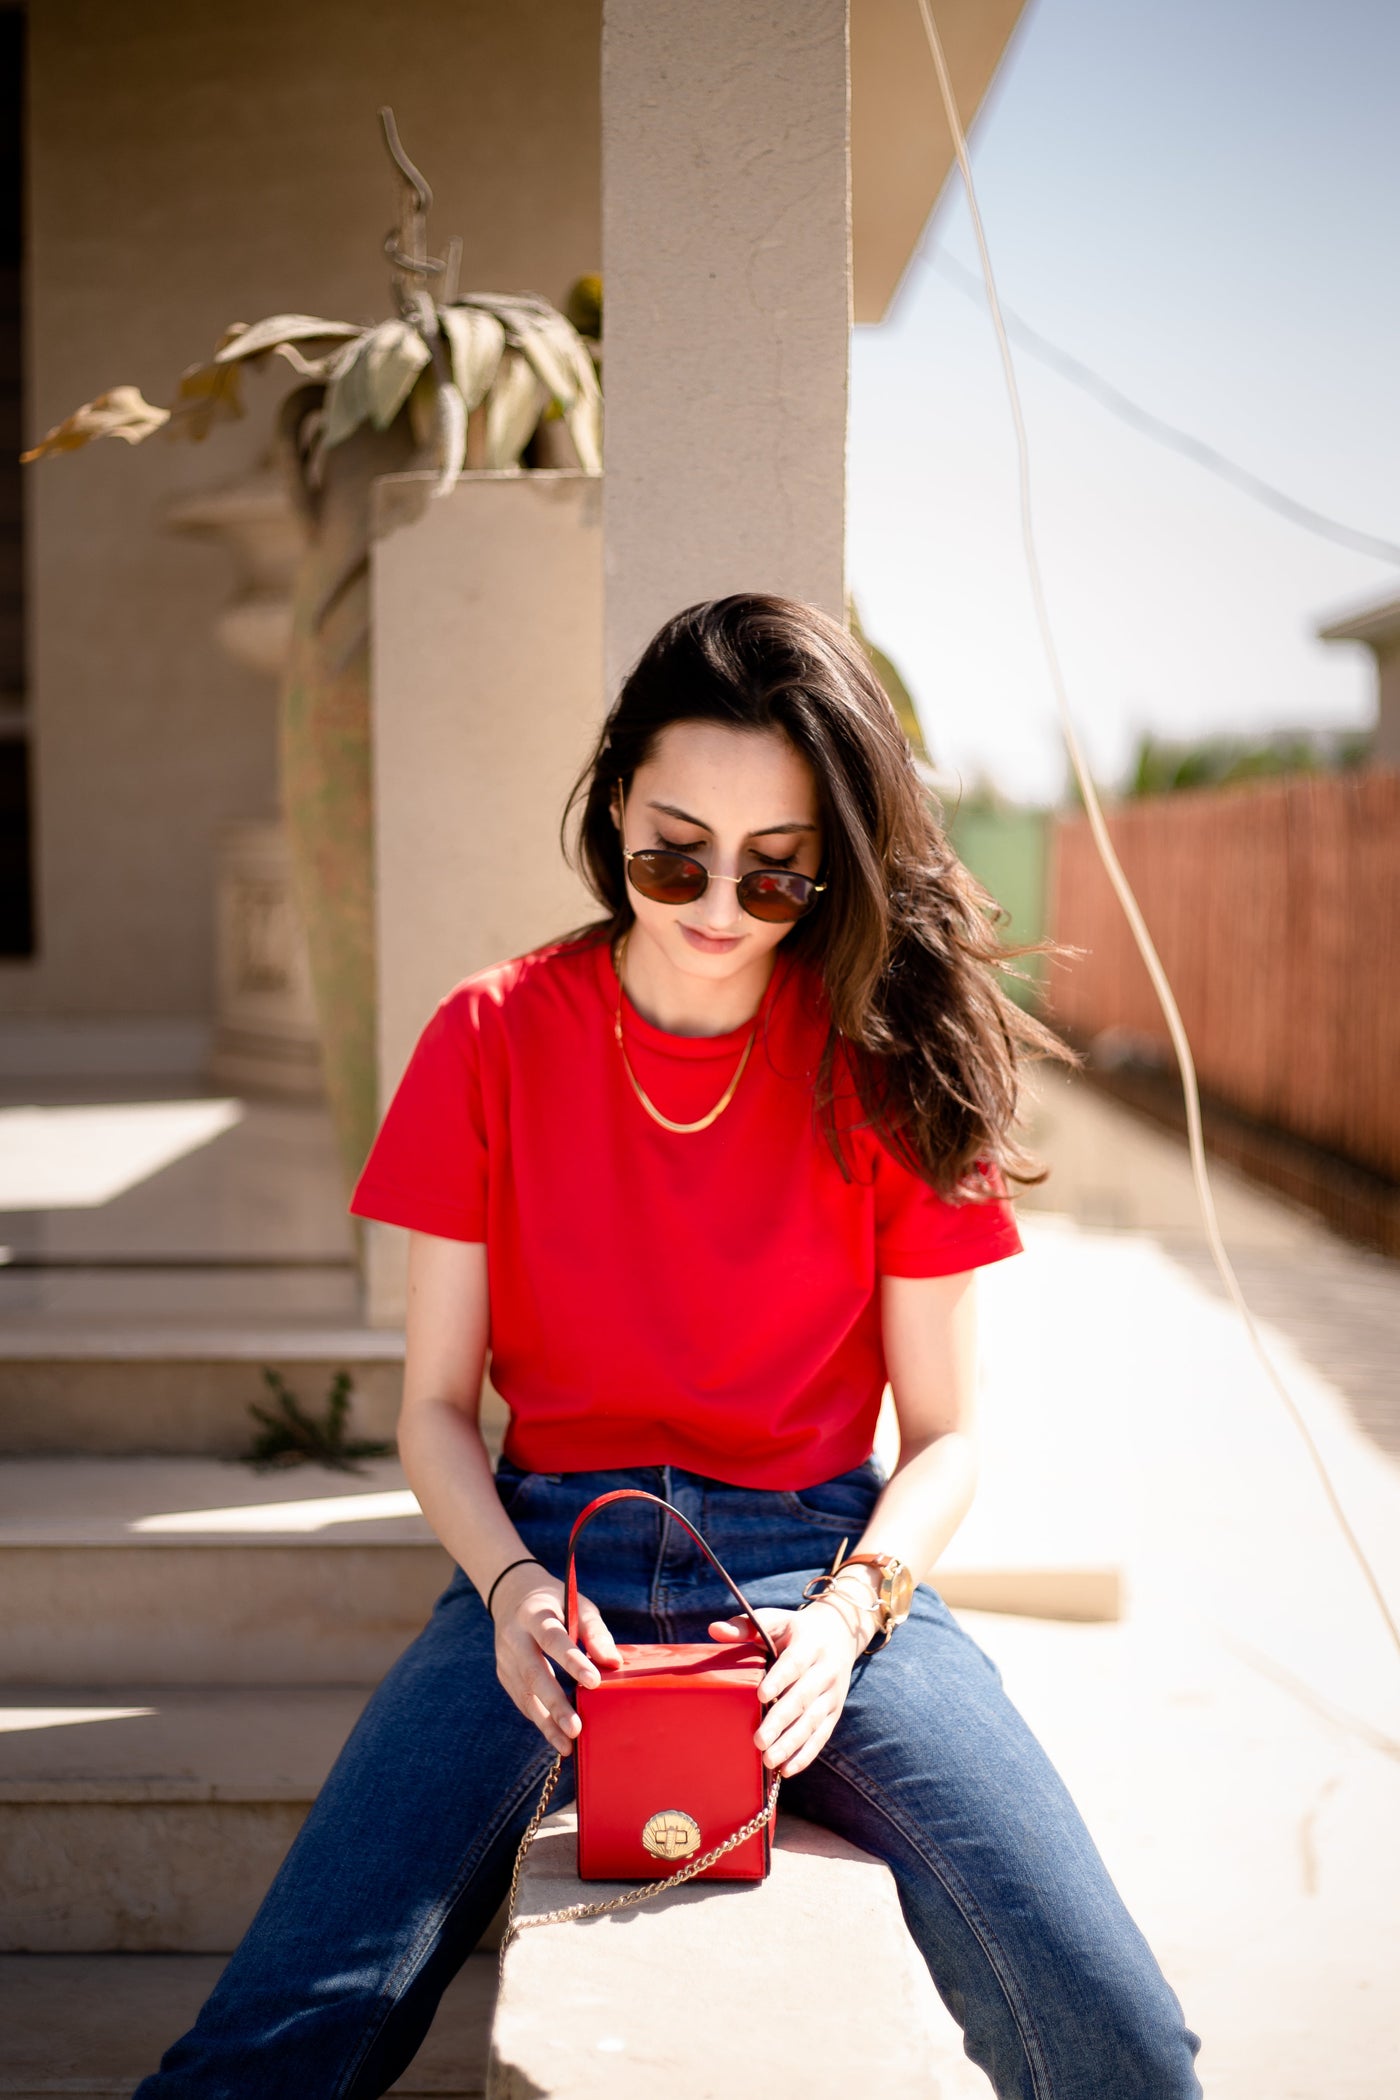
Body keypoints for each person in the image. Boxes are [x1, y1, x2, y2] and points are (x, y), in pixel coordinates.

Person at [136, 594, 1201, 2099]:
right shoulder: (490, 1036)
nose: (715, 904)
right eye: (671, 852)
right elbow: (434, 1410)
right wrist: (505, 1592)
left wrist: (848, 1619)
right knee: (272, 2042)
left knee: (1121, 2036)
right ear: (613, 805)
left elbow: (948, 1434)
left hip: (819, 1568)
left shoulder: (888, 1061)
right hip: (547, 1567)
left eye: (775, 872)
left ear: (827, 866)